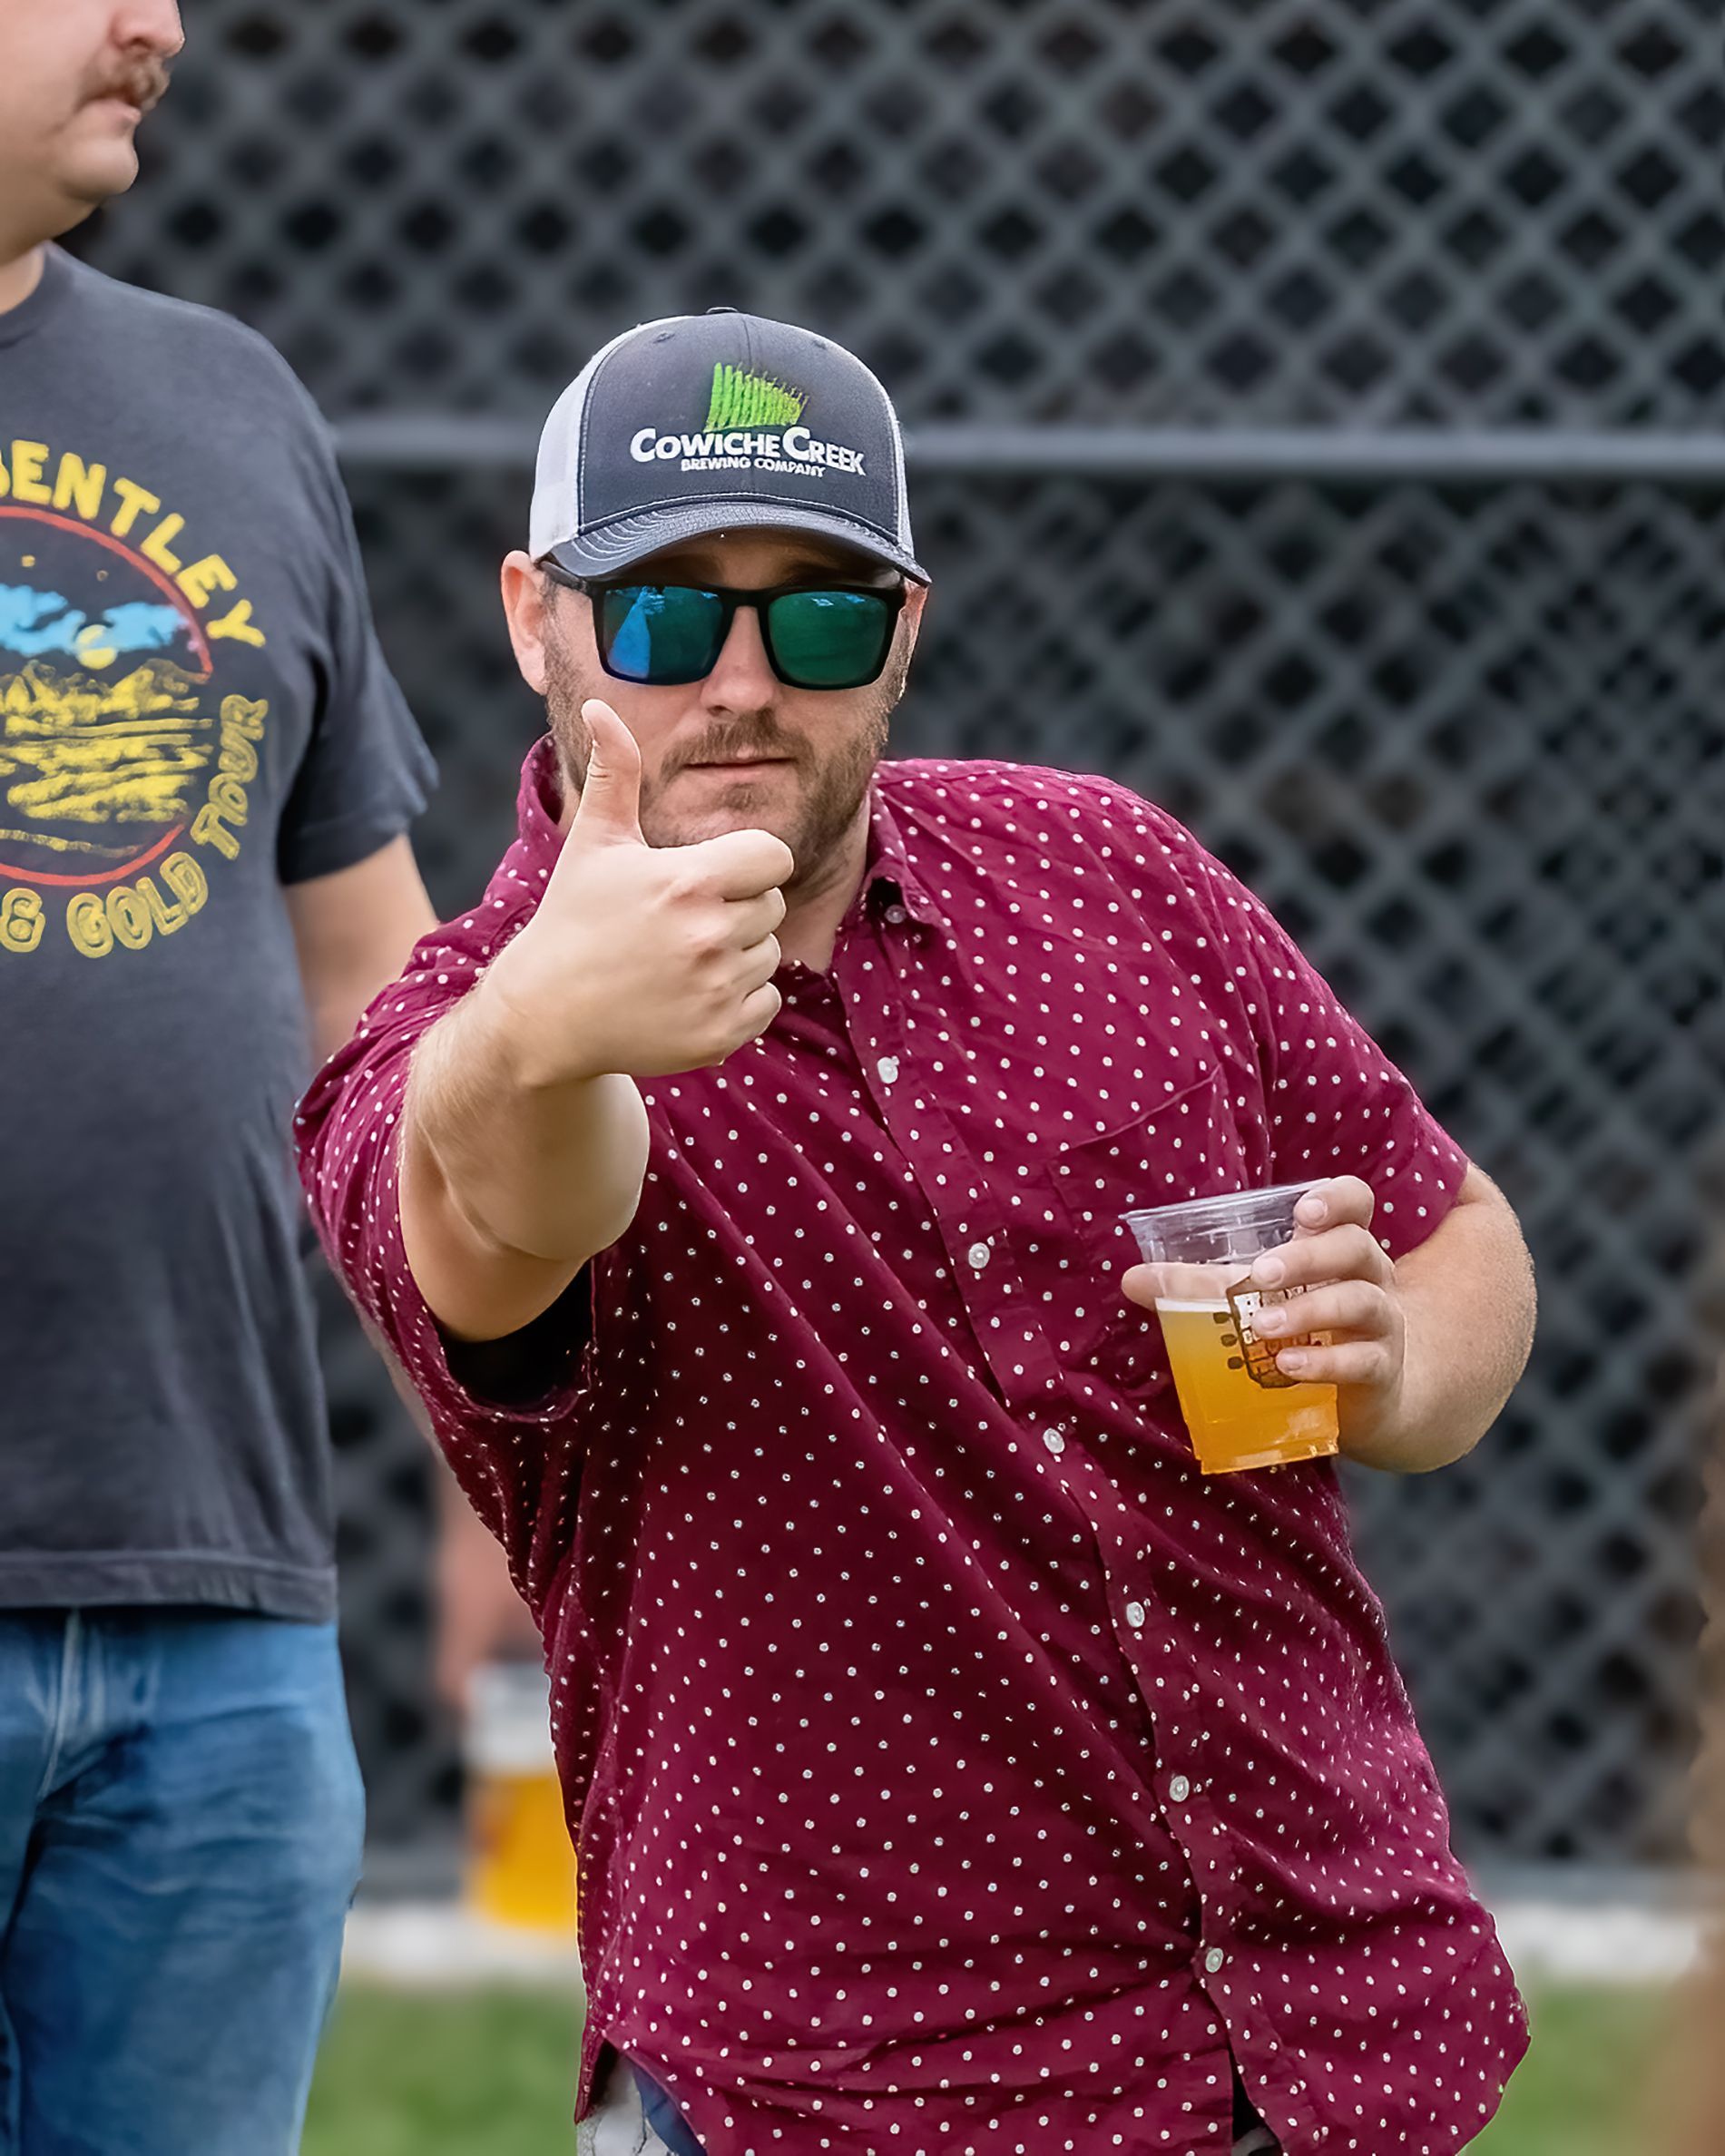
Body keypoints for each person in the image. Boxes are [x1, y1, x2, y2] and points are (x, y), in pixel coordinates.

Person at [299, 308, 1538, 2156]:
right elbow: (500, 1214)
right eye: (660, 614)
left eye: (815, 616)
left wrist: (1402, 1358)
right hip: (859, 2094)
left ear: (903, 633)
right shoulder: (455, 1044)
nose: (739, 681)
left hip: (1334, 2034)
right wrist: (553, 1032)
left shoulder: (1105, 869)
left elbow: (1456, 1234)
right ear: (531, 619)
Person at [0, 5, 437, 2149]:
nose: (157, 23)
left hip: (216, 1620)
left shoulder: (225, 400)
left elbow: (379, 988)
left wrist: (489, 1443)